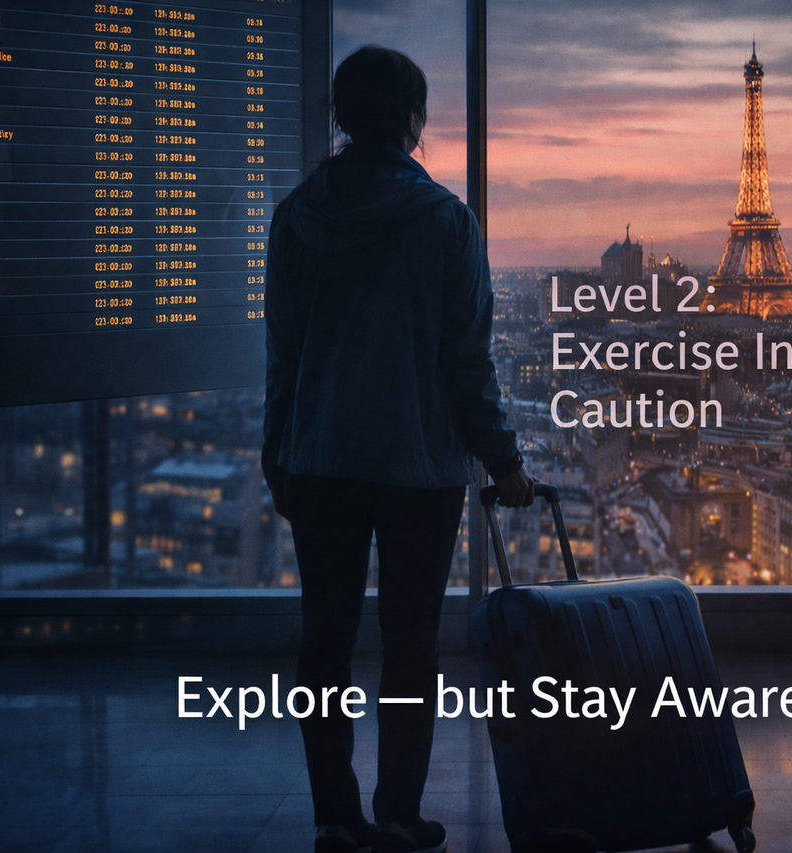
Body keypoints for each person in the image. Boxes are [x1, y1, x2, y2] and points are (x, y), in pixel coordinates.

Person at [262, 46, 535, 853]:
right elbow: (468, 361)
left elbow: (284, 356)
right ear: (415, 120)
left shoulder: (297, 217)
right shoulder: (446, 221)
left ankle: (333, 816)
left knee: (325, 641)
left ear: (342, 116)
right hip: (419, 465)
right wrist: (503, 457)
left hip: (320, 456)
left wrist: (278, 451)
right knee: (411, 643)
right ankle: (398, 812)